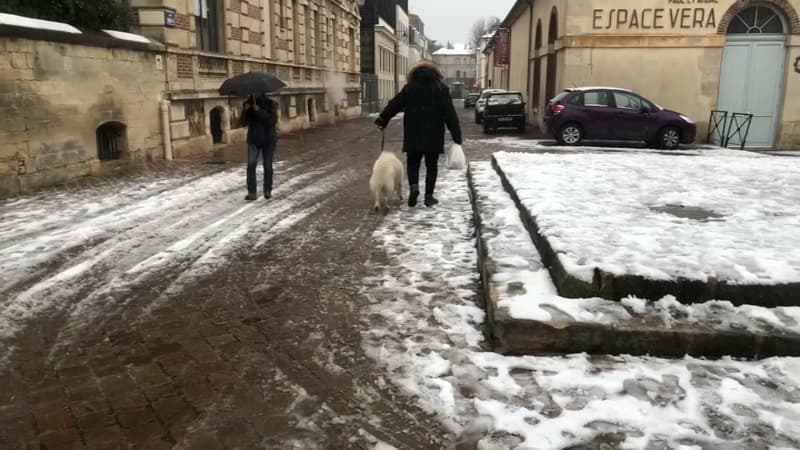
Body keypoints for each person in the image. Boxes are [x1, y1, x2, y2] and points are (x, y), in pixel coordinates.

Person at [374, 60, 462, 207]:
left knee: (413, 163)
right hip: (434, 134)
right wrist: (456, 136)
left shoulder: (410, 88)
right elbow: (450, 114)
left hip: (413, 132)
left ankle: (414, 188)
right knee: (431, 165)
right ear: (436, 73)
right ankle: (428, 196)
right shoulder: (442, 88)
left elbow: (395, 104)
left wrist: (383, 119)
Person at [241, 93, 278, 201]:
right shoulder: (248, 104)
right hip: (253, 139)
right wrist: (245, 111)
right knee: (251, 165)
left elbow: (272, 120)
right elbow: (243, 123)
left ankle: (267, 190)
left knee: (267, 165)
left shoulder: (271, 104)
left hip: (268, 139)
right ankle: (252, 192)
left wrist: (258, 111)